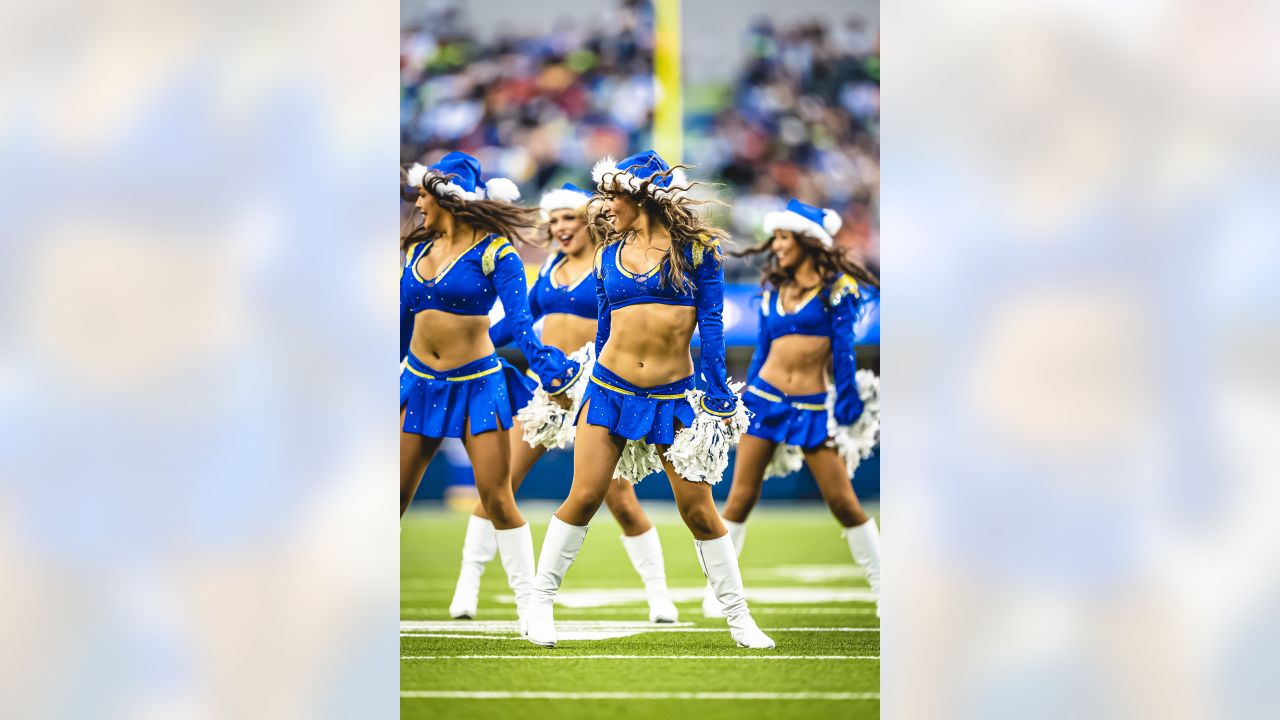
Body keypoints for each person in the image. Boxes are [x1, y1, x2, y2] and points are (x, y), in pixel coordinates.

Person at [523, 150, 775, 649]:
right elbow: (602, 325)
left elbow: (713, 324)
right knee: (586, 495)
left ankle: (739, 616)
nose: (606, 206)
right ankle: (539, 603)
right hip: (609, 390)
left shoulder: (697, 250)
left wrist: (718, 384)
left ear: (640, 197)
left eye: (613, 196)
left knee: (699, 510)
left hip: (675, 396)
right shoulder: (605, 254)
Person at [447, 182, 679, 624]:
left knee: (619, 500)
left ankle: (659, 595)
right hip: (549, 393)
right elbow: (517, 324)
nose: (560, 228)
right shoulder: (550, 268)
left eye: (568, 218)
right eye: (553, 221)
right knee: (497, 486)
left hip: (597, 392)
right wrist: (475, 343)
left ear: (588, 221)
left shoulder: (610, 263)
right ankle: (468, 585)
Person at [399, 151, 580, 632]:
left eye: (423, 193)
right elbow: (399, 322)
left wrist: (547, 368)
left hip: (478, 385)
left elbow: (520, 324)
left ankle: (530, 606)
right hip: (418, 384)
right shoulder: (416, 250)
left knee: (497, 498)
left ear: (447, 198)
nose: (416, 202)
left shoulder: (497, 252)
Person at [710, 198, 881, 617]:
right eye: (777, 237)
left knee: (842, 501)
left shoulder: (837, 290)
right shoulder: (773, 291)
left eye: (785, 237)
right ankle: (720, 593)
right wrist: (743, 396)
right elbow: (762, 352)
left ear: (808, 241)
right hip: (764, 401)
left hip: (811, 407)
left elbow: (843, 351)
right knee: (740, 499)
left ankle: (883, 584)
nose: (778, 245)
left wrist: (847, 397)